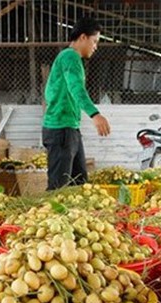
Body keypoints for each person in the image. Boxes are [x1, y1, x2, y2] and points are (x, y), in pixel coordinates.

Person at [43, 17, 111, 190]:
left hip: (69, 128)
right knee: (58, 188)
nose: (95, 47)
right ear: (82, 37)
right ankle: (49, 214)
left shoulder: (70, 58)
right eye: (94, 41)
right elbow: (76, 88)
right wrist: (94, 114)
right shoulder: (70, 57)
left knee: (79, 184)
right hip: (61, 129)